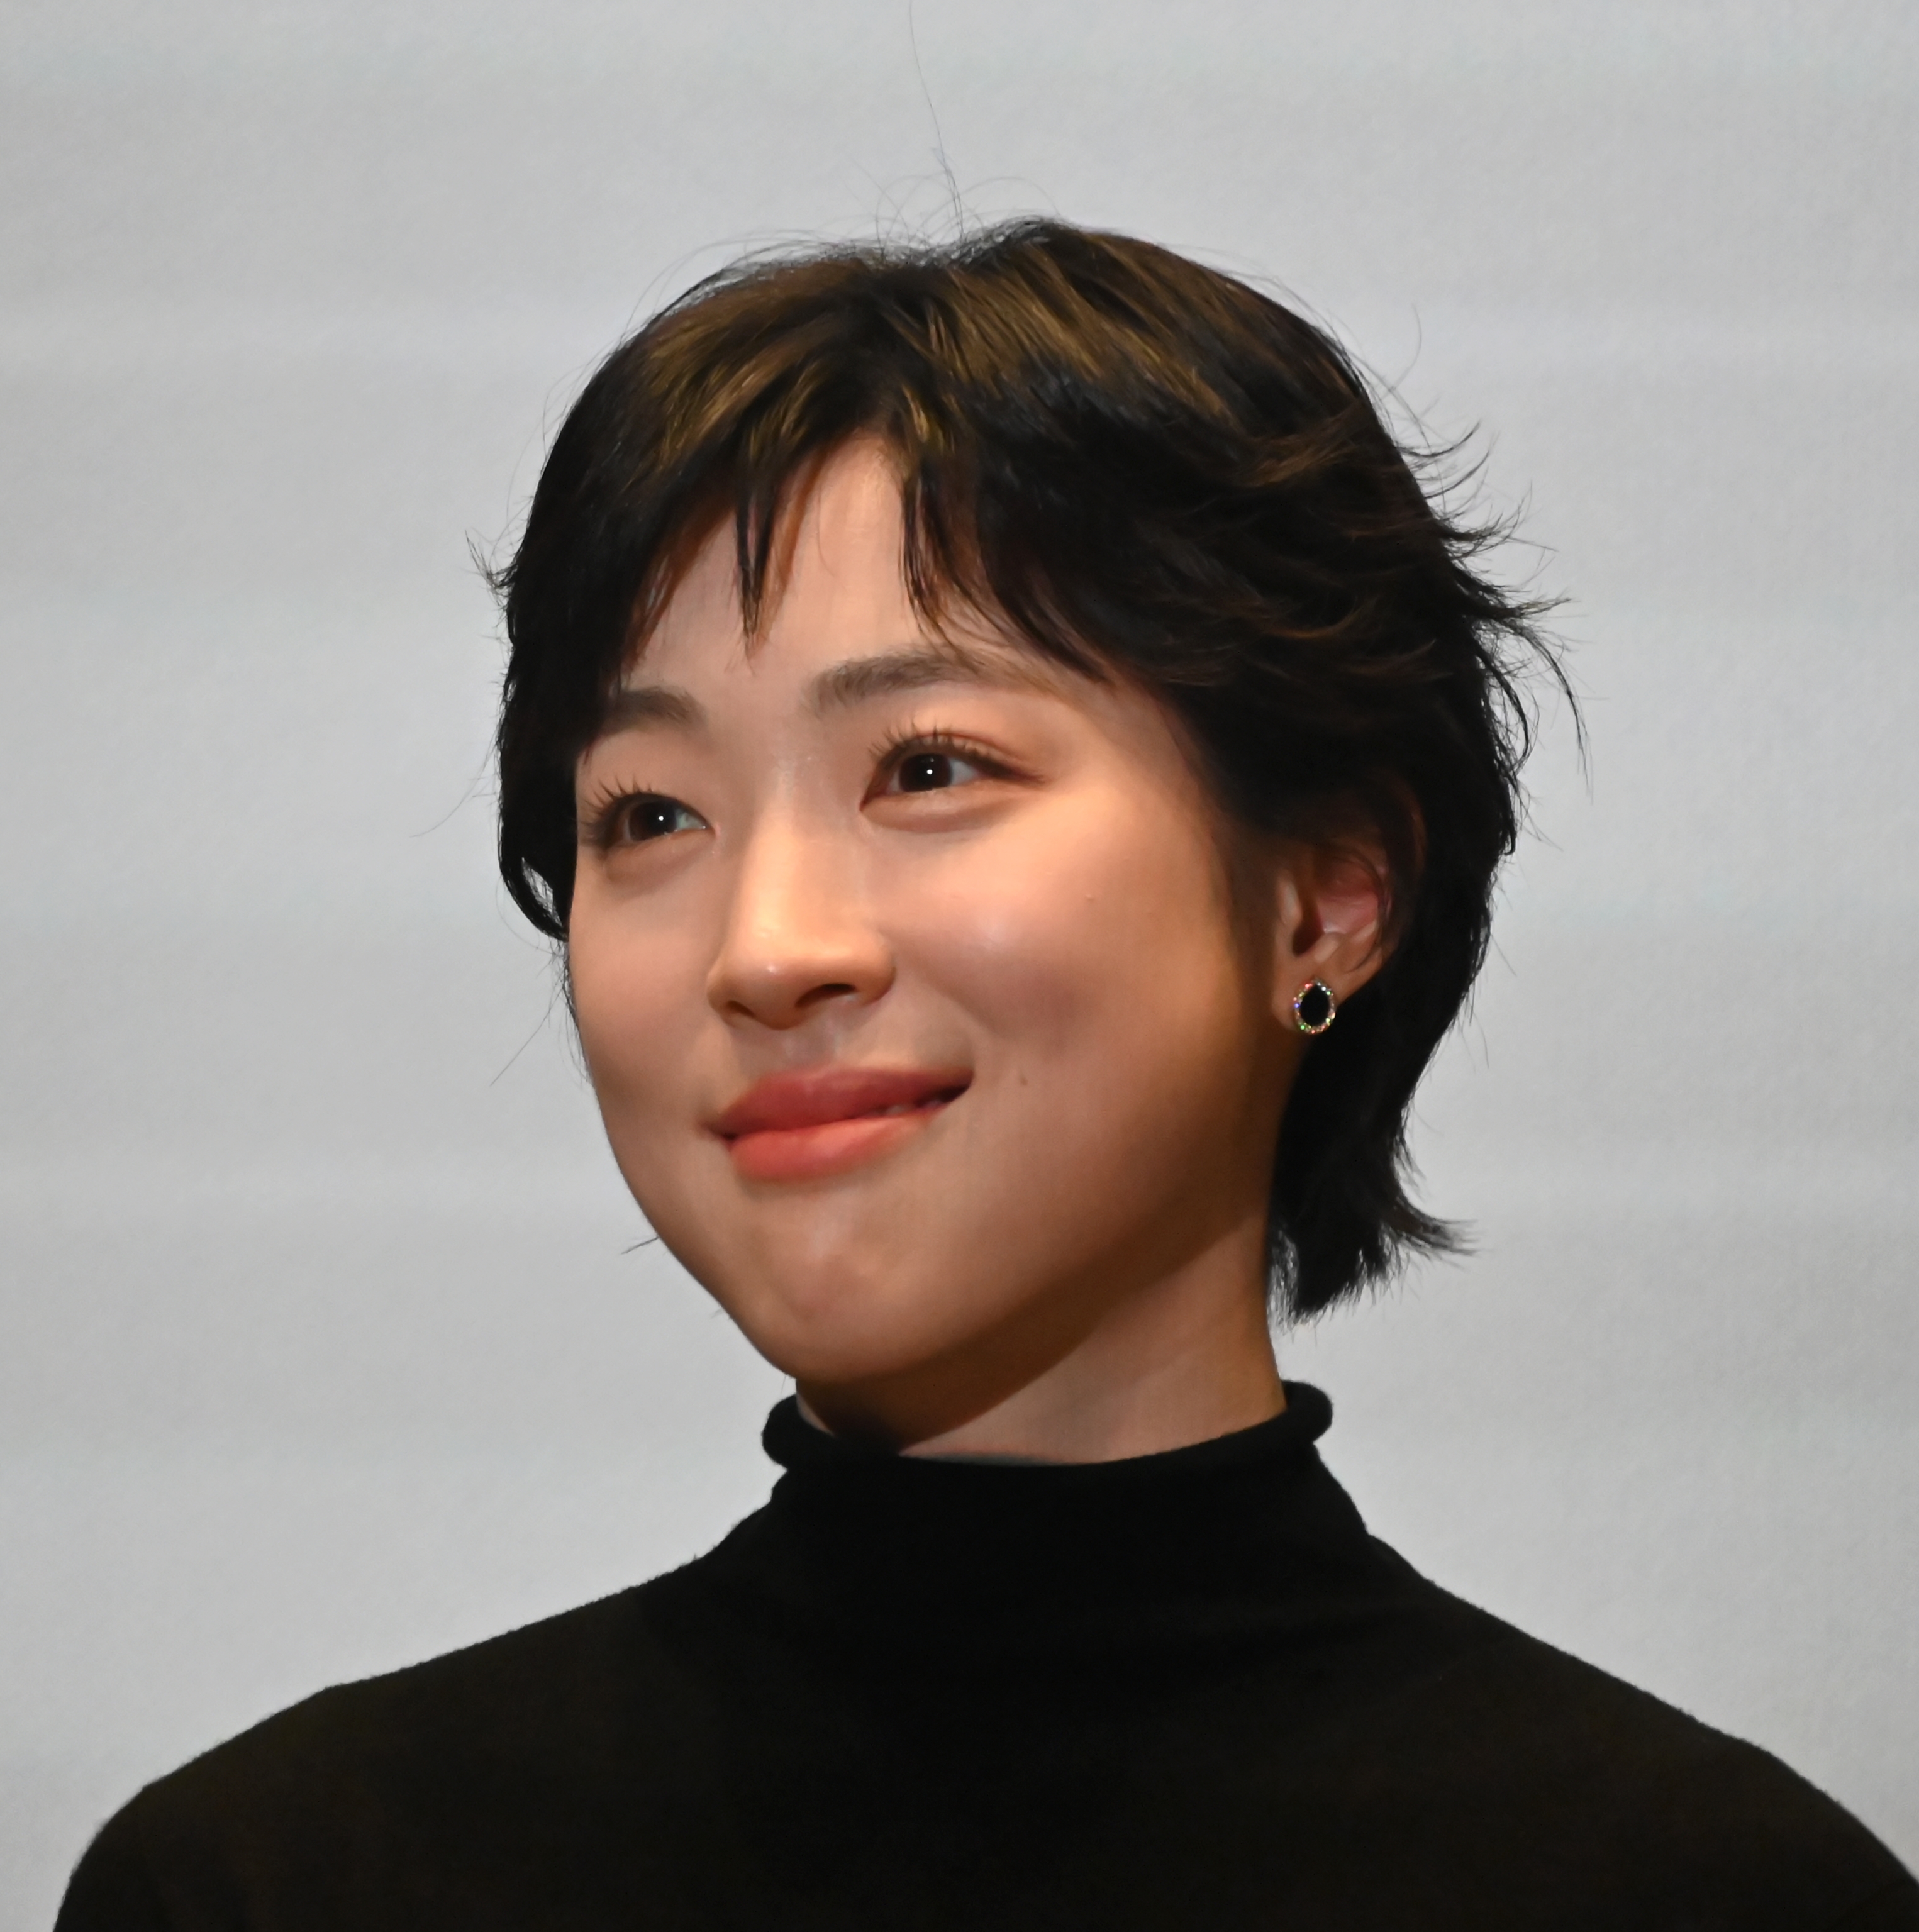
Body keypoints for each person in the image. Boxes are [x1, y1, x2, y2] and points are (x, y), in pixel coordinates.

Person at [55, 220, 1918, 1929]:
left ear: (1327, 895)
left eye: (929, 767)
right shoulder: (274, 1883)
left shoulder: (1710, 1894)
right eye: (649, 814)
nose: (766, 945)